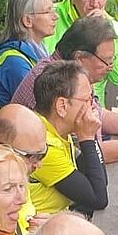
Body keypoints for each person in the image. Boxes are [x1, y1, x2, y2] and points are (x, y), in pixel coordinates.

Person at [10, 16, 118, 164]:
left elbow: (96, 113)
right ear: (80, 58)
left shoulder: (70, 73)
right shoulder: (57, 85)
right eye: (106, 61)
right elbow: (91, 154)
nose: (111, 67)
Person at [43, 0, 118, 103]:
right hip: (54, 105)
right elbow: (39, 73)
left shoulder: (111, 25)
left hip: (94, 110)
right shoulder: (49, 17)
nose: (95, 4)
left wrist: (109, 33)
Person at [29, 60, 108, 217]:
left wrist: (87, 138)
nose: (92, 106)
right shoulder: (43, 146)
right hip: (36, 233)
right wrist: (88, 139)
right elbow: (99, 199)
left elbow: (99, 181)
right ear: (62, 106)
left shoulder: (58, 131)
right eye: (87, 100)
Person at [0, 0, 57, 116]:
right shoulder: (14, 63)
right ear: (27, 20)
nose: (55, 16)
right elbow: (42, 110)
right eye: (48, 12)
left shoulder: (39, 52)